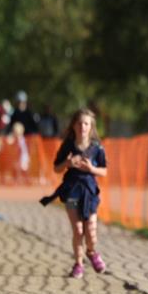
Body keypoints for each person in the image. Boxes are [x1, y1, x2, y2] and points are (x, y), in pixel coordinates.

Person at [39, 108, 108, 279]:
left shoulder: (97, 148)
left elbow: (104, 171)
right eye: (79, 123)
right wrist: (68, 163)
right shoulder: (68, 145)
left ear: (91, 126)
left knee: (90, 231)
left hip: (90, 191)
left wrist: (91, 168)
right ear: (74, 126)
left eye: (86, 123)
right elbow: (56, 168)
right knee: (78, 230)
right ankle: (78, 263)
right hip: (71, 190)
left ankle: (91, 252)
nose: (82, 127)